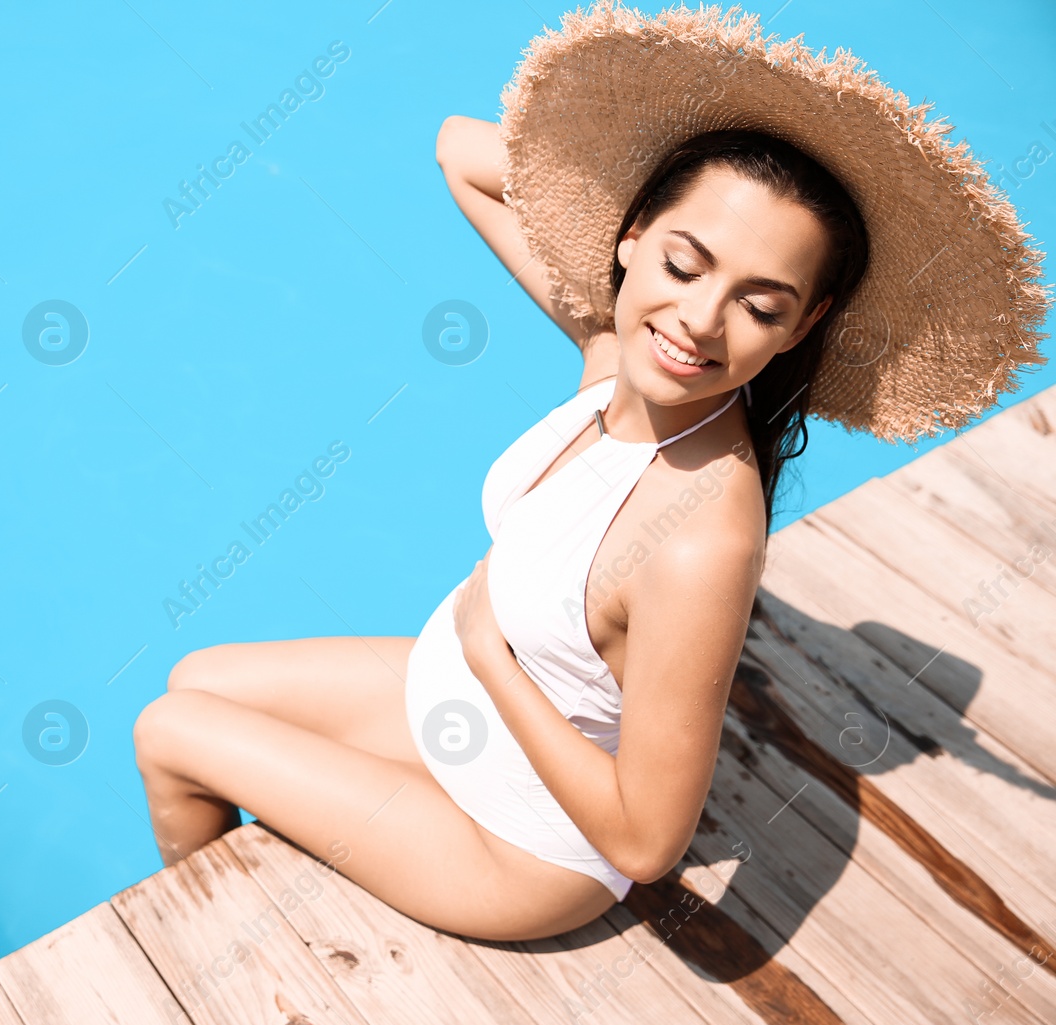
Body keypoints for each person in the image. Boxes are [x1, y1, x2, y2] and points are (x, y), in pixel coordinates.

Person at [132, 0, 1047, 941]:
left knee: (170, 734)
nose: (698, 320)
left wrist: (494, 657)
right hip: (454, 704)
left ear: (803, 326)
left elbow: (649, 844)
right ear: (631, 231)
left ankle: (223, 947)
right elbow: (462, 153)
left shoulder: (701, 536)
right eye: (685, 261)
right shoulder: (613, 355)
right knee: (195, 674)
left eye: (760, 306)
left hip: (520, 842)